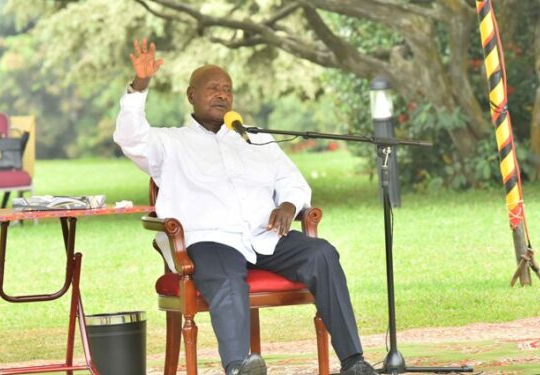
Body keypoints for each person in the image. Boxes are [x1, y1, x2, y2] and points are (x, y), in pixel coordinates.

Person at [114, 39, 378, 375]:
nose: (222, 94)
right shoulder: (169, 142)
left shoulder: (255, 138)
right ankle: (239, 368)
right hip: (211, 239)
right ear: (191, 95)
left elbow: (294, 182)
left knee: (322, 254)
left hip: (263, 236)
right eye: (213, 88)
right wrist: (140, 85)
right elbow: (130, 138)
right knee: (226, 275)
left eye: (227, 89)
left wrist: (287, 204)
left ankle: (354, 362)